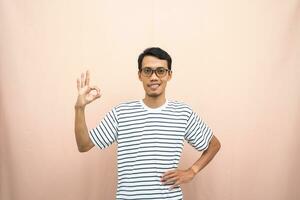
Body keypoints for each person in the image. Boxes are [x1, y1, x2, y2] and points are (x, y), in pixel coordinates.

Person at [74, 47, 221, 200]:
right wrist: (79, 108)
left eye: (161, 71)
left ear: (169, 75)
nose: (154, 77)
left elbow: (214, 145)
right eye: (147, 71)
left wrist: (192, 171)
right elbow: (84, 145)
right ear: (140, 75)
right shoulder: (121, 113)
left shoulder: (183, 113)